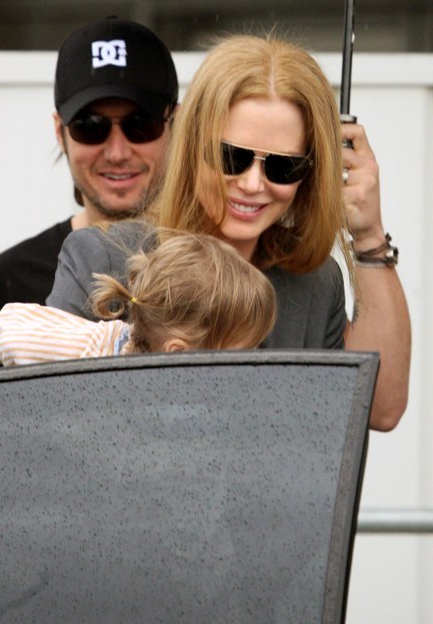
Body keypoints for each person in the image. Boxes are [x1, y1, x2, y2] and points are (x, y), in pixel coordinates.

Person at [46, 32, 411, 432]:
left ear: (311, 171)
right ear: (191, 144)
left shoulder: (314, 283)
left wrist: (369, 235)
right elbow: (50, 418)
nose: (253, 184)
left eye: (283, 167)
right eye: (230, 157)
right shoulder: (101, 257)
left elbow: (378, 409)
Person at [0, 16, 178, 370]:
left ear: (176, 123)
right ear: (59, 131)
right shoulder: (8, 279)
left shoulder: (215, 261)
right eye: (90, 127)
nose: (117, 152)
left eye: (140, 124)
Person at [0, 232, 277, 366]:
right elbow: (3, 328)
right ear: (179, 354)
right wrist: (89, 355)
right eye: (241, 354)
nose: (251, 364)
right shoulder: (103, 347)